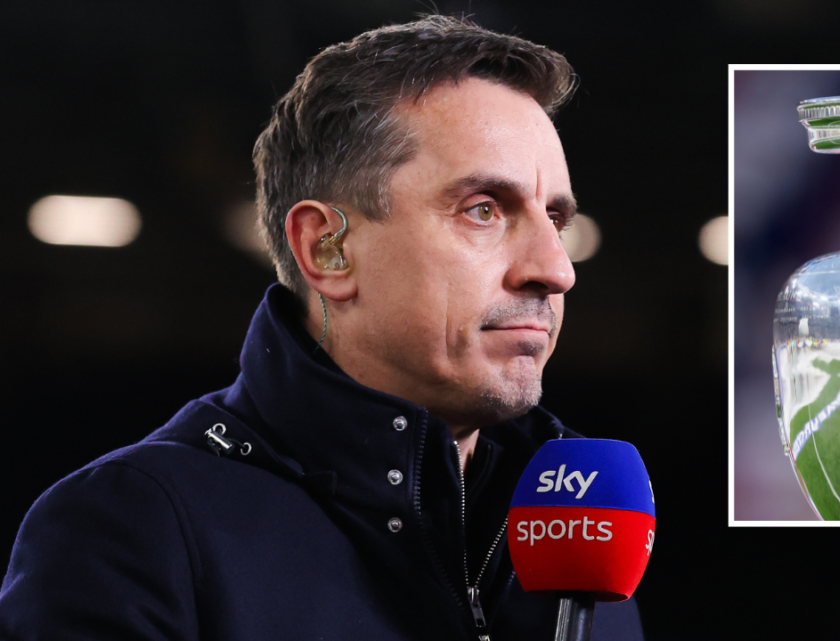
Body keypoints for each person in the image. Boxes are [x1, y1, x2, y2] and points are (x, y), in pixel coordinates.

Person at [0, 16, 644, 640]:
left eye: (555, 220)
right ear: (327, 249)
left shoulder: (582, 544)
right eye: (483, 210)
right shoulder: (136, 529)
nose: (556, 270)